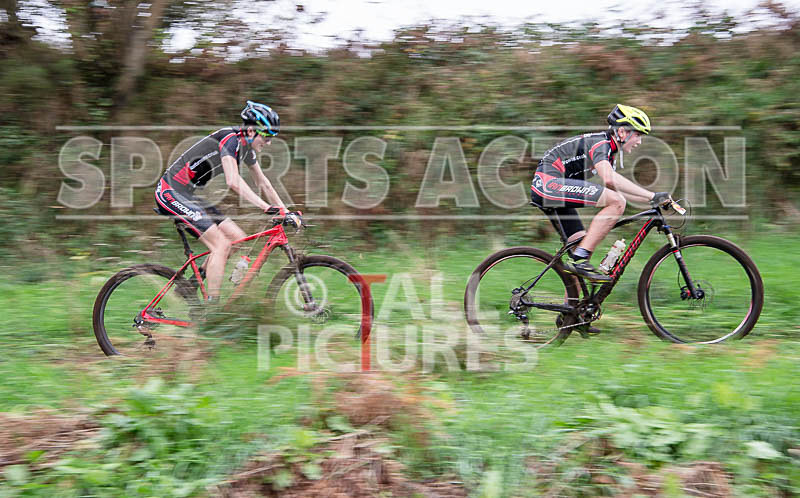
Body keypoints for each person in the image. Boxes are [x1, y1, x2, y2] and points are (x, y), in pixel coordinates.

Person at [154, 101, 301, 302]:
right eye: (266, 137)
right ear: (250, 131)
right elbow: (233, 181)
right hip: (170, 192)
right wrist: (265, 207)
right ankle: (212, 309)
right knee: (221, 245)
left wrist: (286, 211)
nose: (268, 143)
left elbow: (263, 182)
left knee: (236, 237)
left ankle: (190, 286)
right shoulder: (230, 140)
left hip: (188, 195)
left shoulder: (246, 148)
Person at [530, 104, 671, 282]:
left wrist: (653, 200)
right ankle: (579, 260)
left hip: (552, 189)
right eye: (637, 134)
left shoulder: (608, 151)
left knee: (581, 249)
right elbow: (609, 180)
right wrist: (651, 195)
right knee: (615, 204)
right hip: (548, 185)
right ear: (622, 132)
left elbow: (616, 190)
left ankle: (574, 307)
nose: (639, 141)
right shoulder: (601, 144)